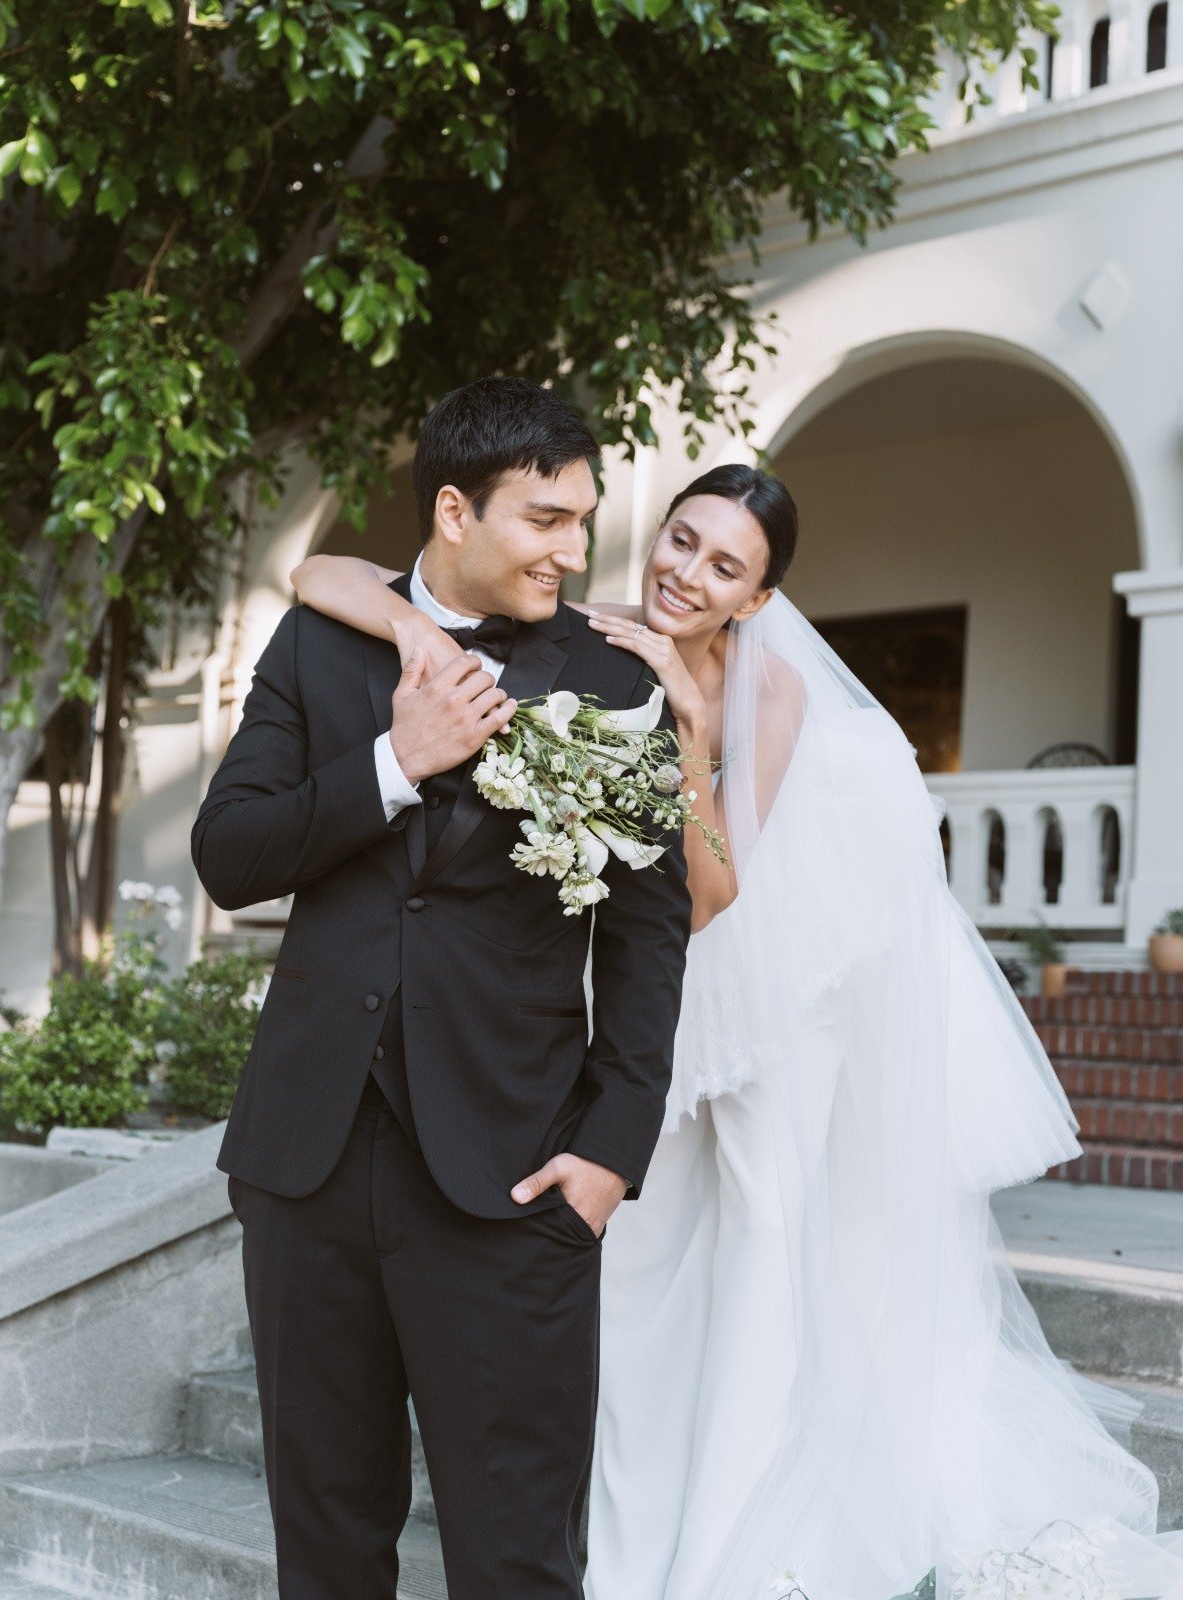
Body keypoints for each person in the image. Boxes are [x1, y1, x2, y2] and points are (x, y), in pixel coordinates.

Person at [291, 461, 1183, 1600]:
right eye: (680, 540)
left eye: (725, 566)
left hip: (756, 988)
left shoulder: (767, 693)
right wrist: (413, 627)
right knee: (640, 1265)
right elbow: (318, 568)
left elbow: (713, 893)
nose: (689, 574)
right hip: (626, 998)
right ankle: (609, 1518)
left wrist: (692, 722)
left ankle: (723, 1534)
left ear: (756, 600)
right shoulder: (582, 632)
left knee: (758, 1230)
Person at [191, 376, 692, 1600]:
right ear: (456, 511)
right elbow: (230, 854)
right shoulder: (320, 641)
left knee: (517, 1553)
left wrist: (612, 1150)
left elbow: (650, 931)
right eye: (547, 520)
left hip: (511, 1175)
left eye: (584, 518)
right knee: (325, 1547)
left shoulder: (615, 683)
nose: (574, 550)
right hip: (304, 1166)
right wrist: (393, 764)